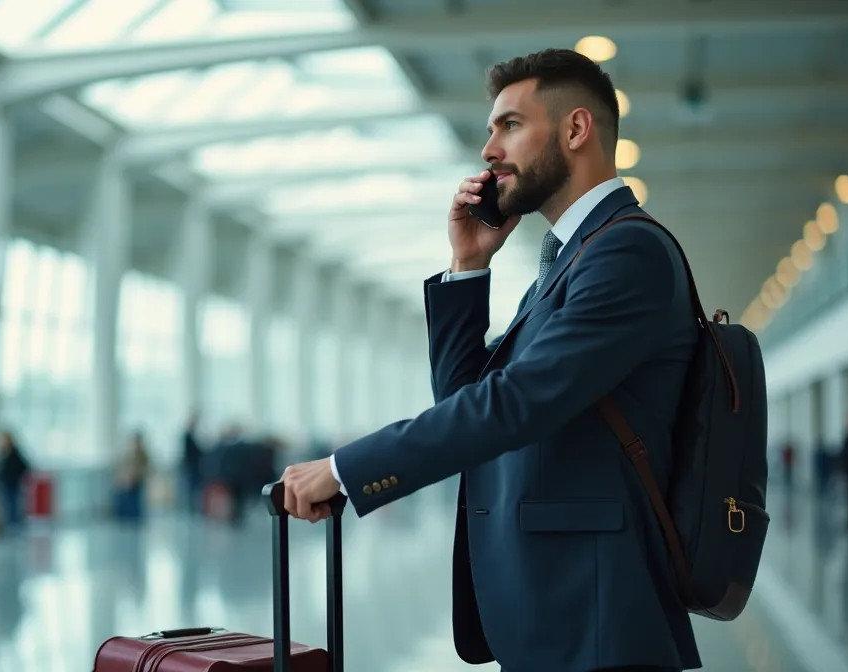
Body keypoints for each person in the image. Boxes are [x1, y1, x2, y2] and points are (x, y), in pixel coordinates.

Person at [278, 48, 701, 672]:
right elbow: (465, 404)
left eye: (509, 125)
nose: (488, 150)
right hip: (554, 615)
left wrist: (345, 470)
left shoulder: (626, 254)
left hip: (596, 623)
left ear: (575, 129)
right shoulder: (571, 260)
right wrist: (469, 264)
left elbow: (512, 403)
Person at [0, 430, 30, 531]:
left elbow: (24, 467)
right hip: (5, 484)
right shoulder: (3, 454)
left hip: (13, 484)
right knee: (7, 505)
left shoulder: (15, 453)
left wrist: (17, 477)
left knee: (13, 505)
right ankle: (10, 524)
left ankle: (15, 525)